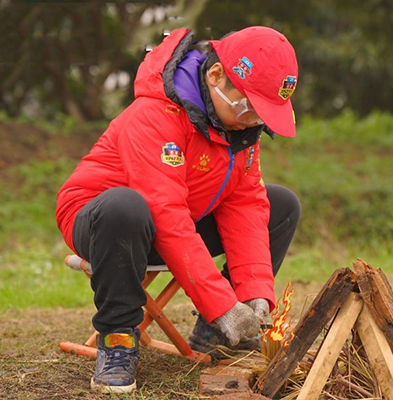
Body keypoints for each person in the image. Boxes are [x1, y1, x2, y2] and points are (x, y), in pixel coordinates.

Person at [55, 26, 301, 393]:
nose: (255, 120)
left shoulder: (240, 129)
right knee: (126, 207)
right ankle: (118, 341)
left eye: (264, 113)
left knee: (281, 204)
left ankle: (214, 333)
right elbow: (164, 213)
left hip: (178, 217)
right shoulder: (156, 113)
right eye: (251, 106)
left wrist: (254, 293)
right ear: (216, 76)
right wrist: (221, 302)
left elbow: (245, 205)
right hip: (105, 223)